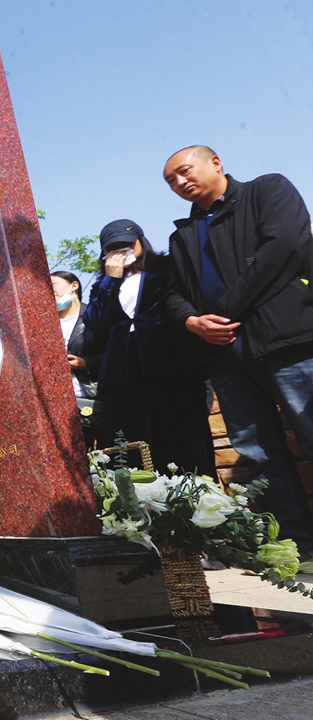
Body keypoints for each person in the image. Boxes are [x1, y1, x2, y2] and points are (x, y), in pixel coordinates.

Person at [163, 145, 313, 559]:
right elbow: (173, 294)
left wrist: (223, 312)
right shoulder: (182, 235)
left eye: (184, 171)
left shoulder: (267, 190)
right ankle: (300, 549)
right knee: (260, 456)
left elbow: (286, 247)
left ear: (216, 162)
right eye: (171, 181)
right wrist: (192, 322)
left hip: (286, 340)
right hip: (226, 359)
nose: (179, 183)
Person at [83, 219, 214, 473]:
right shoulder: (103, 284)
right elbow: (95, 321)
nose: (122, 251)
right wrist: (111, 279)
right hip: (123, 372)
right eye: (114, 247)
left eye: (127, 244)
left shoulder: (165, 267)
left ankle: (194, 497)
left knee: (181, 437)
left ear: (141, 241)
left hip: (169, 364)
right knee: (129, 442)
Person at [51, 271, 105, 449]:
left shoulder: (94, 320)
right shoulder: (44, 322)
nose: (49, 290)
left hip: (85, 398)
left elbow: (112, 354)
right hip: (52, 400)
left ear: (74, 286)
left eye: (53, 284)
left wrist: (86, 363)